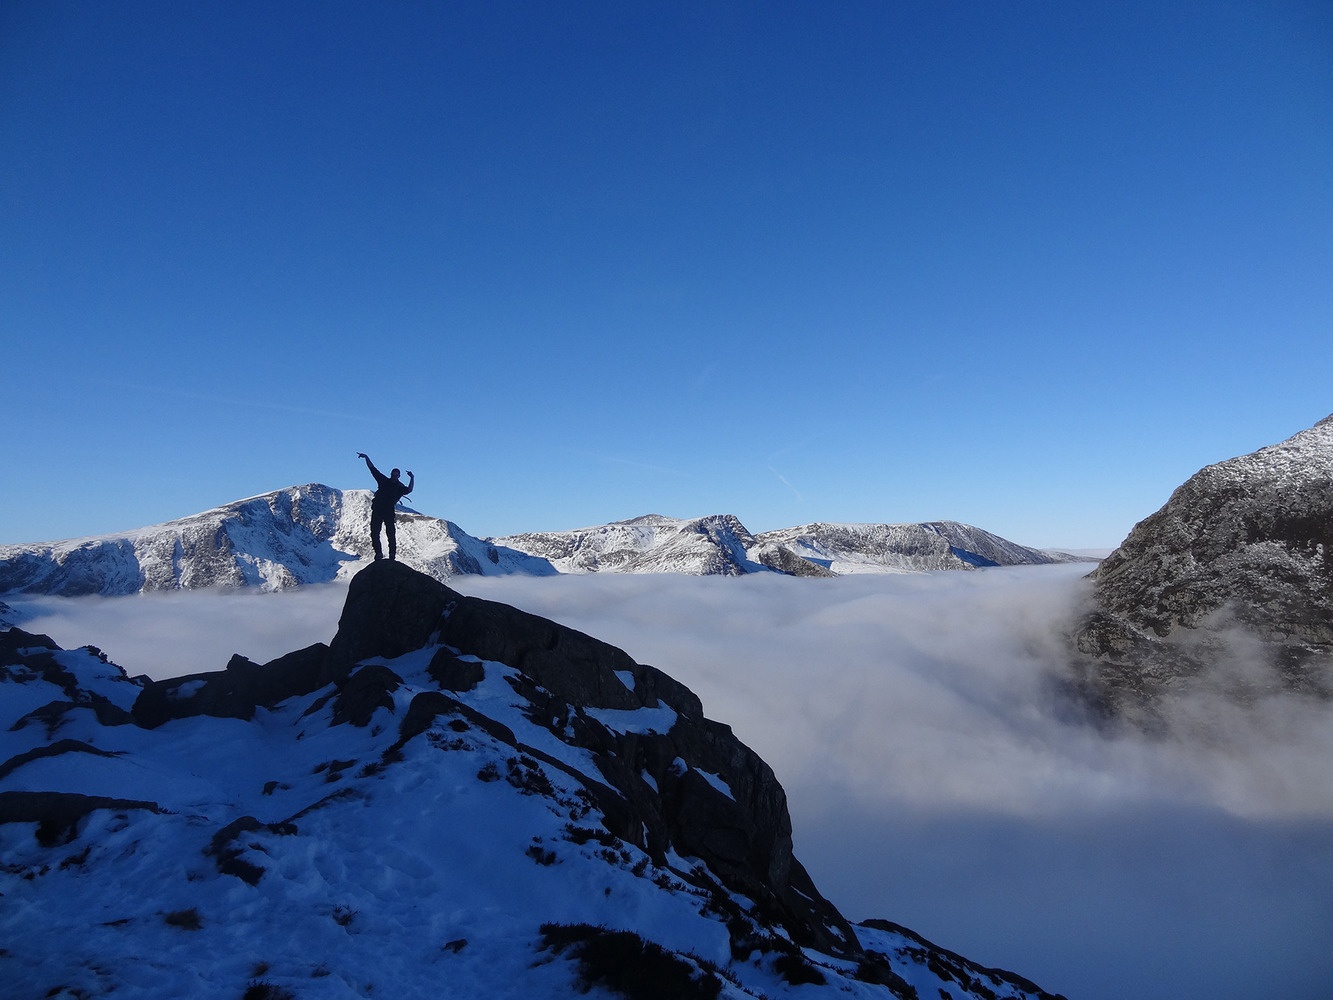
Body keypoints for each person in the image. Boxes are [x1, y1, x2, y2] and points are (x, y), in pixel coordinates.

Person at [357, 453, 414, 561]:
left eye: (396, 475)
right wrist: (367, 457)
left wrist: (412, 478)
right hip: (378, 510)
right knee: (375, 533)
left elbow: (409, 490)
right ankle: (379, 553)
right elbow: (373, 469)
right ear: (391, 474)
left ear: (398, 476)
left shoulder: (399, 487)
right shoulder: (383, 481)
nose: (394, 477)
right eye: (393, 475)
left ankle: (392, 554)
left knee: (390, 534)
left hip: (388, 512)